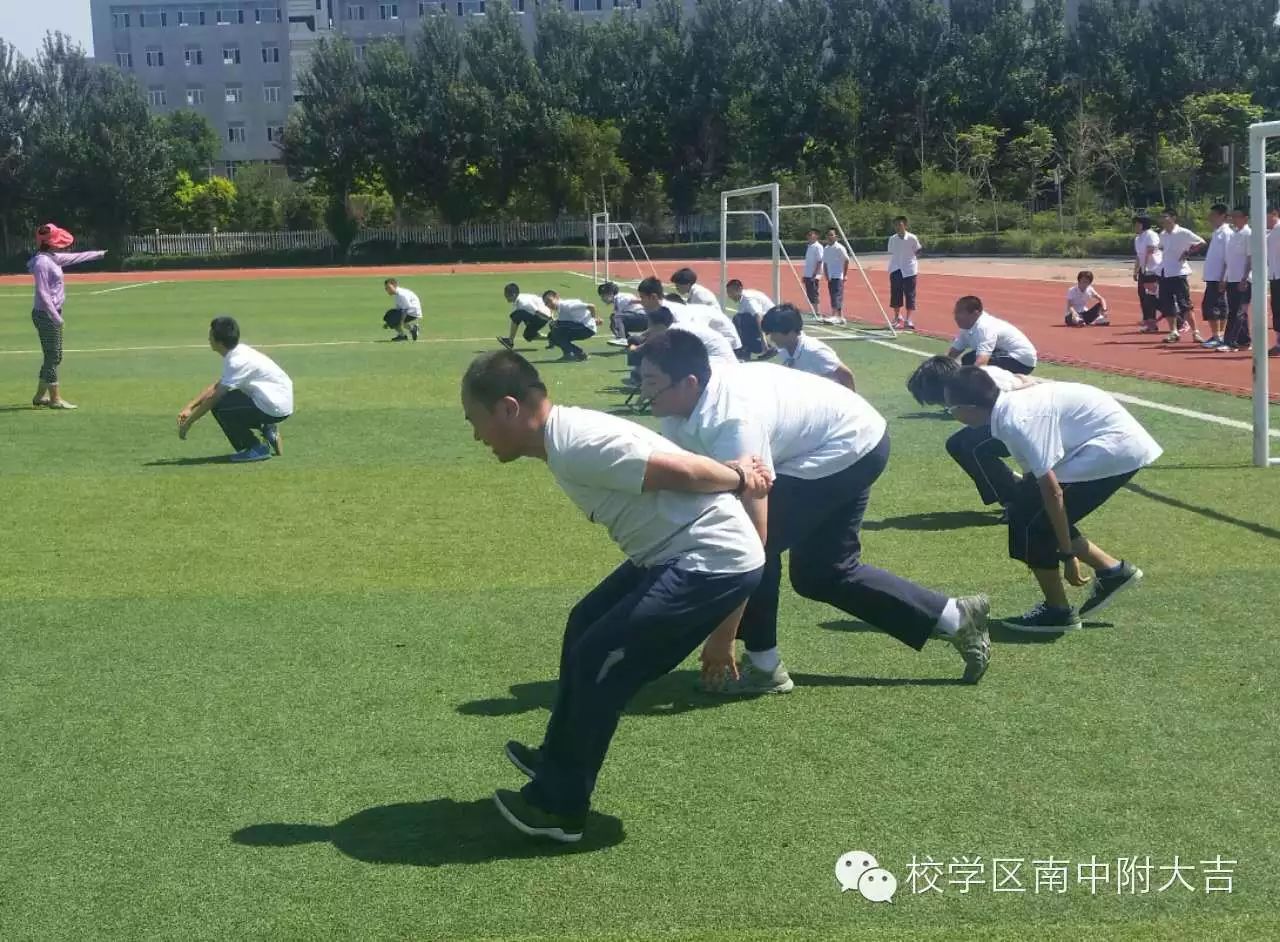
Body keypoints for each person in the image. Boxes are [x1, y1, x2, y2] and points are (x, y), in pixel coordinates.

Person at [461, 350, 768, 842]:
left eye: (476, 421)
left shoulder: (576, 443)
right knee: (585, 624)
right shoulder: (563, 439)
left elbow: (684, 474)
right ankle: (558, 756)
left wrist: (739, 477)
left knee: (601, 658)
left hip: (711, 559)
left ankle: (560, 808)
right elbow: (671, 463)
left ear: (509, 409)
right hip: (674, 551)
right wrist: (732, 468)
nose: (477, 435)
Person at [639, 332, 993, 691]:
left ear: (689, 382)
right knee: (822, 574)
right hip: (844, 436)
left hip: (847, 444)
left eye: (651, 382)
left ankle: (763, 666)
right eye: (641, 378)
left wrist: (722, 637)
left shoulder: (732, 423)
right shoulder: (679, 407)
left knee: (748, 541)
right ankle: (954, 617)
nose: (642, 390)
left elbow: (752, 539)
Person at [944, 367, 1159, 632]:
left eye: (951, 409)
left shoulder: (1016, 422)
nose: (951, 415)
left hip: (1115, 449)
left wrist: (1067, 555)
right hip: (1095, 441)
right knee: (1029, 511)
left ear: (969, 407)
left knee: (1033, 524)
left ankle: (1058, 612)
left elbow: (1053, 492)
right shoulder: (1004, 411)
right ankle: (1112, 572)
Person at [906, 354, 1041, 518]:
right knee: (955, 444)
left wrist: (1028, 383)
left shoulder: (981, 381)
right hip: (1001, 424)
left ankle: (1021, 502)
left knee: (973, 446)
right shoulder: (967, 381)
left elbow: (1022, 394)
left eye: (940, 401)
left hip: (1026, 426)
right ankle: (1011, 494)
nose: (945, 405)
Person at [177, 316, 294, 463]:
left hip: (275, 406)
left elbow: (215, 397)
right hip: (275, 400)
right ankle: (267, 427)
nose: (208, 338)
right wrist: (190, 406)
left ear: (219, 342)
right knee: (226, 400)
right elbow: (218, 385)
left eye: (210, 335)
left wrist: (189, 422)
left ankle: (255, 448)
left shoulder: (236, 361)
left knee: (220, 407)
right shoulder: (238, 351)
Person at [27, 223, 107, 410]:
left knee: (52, 356)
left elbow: (75, 257)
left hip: (51, 313)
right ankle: (54, 399)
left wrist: (100, 254)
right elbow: (43, 293)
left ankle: (39, 396)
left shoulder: (51, 258)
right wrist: (56, 317)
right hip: (46, 314)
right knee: (54, 356)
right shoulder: (42, 263)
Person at [635, 276, 741, 354]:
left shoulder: (674, 311)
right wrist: (641, 338)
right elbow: (656, 330)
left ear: (653, 297)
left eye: (642, 297)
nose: (641, 301)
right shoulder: (663, 310)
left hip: (725, 343)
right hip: (713, 340)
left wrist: (642, 346)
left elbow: (688, 335)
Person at [760, 303, 855, 390]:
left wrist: (853, 405)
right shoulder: (784, 350)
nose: (772, 338)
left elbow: (846, 375)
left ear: (790, 331)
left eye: (774, 333)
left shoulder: (814, 351)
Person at [946, 295, 1038, 374]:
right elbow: (954, 352)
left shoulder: (985, 327)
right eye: (955, 312)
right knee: (968, 359)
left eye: (960, 313)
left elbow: (981, 363)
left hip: (1021, 361)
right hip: (1006, 354)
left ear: (975, 314)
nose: (956, 317)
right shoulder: (967, 326)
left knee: (971, 362)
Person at [1156, 208, 1206, 344]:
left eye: (1165, 217)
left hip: (1179, 273)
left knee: (1185, 304)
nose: (1162, 220)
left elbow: (1201, 242)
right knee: (1167, 304)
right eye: (1161, 217)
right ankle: (1173, 331)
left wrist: (1188, 252)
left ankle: (1195, 332)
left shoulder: (1183, 232)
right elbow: (1160, 247)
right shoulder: (1163, 234)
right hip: (1165, 272)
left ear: (1173, 218)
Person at [1199, 204, 1232, 348]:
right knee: (1212, 306)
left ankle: (1218, 336)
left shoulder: (1226, 233)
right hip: (1212, 276)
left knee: (1215, 306)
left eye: (1213, 214)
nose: (1210, 217)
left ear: (1222, 216)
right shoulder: (1216, 232)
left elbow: (1228, 257)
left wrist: (1223, 277)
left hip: (1219, 277)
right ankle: (1217, 335)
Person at [1220, 207, 1252, 352]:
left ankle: (1230, 342)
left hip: (1243, 279)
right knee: (1237, 311)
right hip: (1232, 278)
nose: (1234, 219)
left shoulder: (1248, 234)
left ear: (1245, 218)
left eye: (1237, 217)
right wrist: (1224, 278)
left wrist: (1245, 278)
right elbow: (1229, 260)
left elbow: (1250, 258)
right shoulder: (1233, 235)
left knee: (1237, 312)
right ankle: (1244, 340)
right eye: (1232, 217)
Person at [542, 290, 599, 362]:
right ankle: (578, 354)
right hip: (580, 327)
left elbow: (591, 306)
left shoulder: (567, 305)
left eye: (549, 301)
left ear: (557, 297)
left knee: (556, 329)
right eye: (546, 303)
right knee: (552, 335)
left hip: (586, 328)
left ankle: (572, 354)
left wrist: (594, 320)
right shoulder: (560, 309)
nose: (549, 304)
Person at [725, 279, 775, 360]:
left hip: (770, 322)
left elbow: (759, 317)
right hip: (768, 321)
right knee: (740, 324)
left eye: (731, 292)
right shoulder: (743, 299)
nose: (729, 296)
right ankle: (750, 349)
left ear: (739, 289)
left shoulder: (748, 298)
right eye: (728, 293)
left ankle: (763, 348)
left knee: (738, 320)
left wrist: (763, 341)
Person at [887, 216, 922, 330]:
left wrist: (912, 261)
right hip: (896, 269)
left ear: (905, 225)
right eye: (896, 225)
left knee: (910, 294)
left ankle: (908, 319)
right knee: (896, 294)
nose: (897, 227)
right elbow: (891, 251)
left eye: (900, 225)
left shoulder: (912, 238)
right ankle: (897, 318)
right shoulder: (892, 239)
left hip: (909, 270)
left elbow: (917, 250)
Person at [498, 283, 553, 350]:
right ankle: (553, 338)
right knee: (528, 336)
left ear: (513, 295)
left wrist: (551, 319)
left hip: (543, 316)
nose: (505, 297)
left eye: (506, 295)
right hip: (540, 316)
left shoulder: (523, 303)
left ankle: (510, 341)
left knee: (517, 315)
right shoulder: (518, 300)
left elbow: (538, 312)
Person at [1132, 214, 1163, 333]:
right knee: (1143, 296)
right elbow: (1139, 256)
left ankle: (1179, 320)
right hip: (1144, 270)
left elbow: (1150, 251)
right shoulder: (1138, 238)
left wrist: (1145, 269)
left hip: (1153, 269)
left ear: (1143, 224)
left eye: (1137, 224)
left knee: (1153, 297)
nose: (1135, 226)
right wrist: (1136, 270)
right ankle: (1150, 323)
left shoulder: (1151, 234)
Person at [820, 228, 851, 324]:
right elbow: (825, 263)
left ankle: (834, 315)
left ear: (836, 236)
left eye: (831, 235)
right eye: (828, 235)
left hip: (838, 275)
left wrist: (844, 274)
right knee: (834, 295)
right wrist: (826, 274)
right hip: (830, 276)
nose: (829, 237)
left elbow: (846, 260)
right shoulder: (826, 248)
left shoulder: (840, 248)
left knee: (836, 295)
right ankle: (840, 316)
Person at [801, 228, 824, 316]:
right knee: (809, 292)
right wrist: (805, 275)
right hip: (808, 273)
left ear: (816, 236)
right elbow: (808, 262)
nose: (809, 236)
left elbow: (820, 260)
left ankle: (817, 311)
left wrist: (814, 274)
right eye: (808, 235)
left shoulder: (818, 246)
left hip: (814, 274)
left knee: (814, 292)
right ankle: (813, 310)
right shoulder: (809, 246)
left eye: (811, 235)